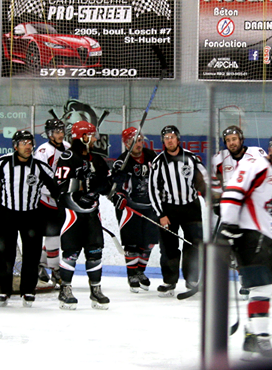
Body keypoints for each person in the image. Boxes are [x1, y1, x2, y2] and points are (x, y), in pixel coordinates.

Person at [218, 131, 272, 359]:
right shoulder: (253, 167)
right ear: (270, 147)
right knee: (261, 288)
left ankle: (250, 335)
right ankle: (262, 338)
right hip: (249, 237)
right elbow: (232, 195)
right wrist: (227, 225)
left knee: (265, 291)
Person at [0, 130, 58, 307]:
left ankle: (28, 291)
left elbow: (55, 188)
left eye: (30, 143)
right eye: (24, 143)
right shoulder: (4, 162)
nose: (28, 146)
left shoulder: (39, 166)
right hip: (7, 214)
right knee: (3, 253)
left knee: (32, 256)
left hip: (31, 215)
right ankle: (3, 290)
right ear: (15, 146)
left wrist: (62, 205)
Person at [54, 121, 113, 310]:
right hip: (72, 214)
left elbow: (107, 186)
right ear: (83, 137)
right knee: (70, 253)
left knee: (95, 252)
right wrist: (82, 185)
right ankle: (65, 290)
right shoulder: (68, 156)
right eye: (92, 135)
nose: (95, 138)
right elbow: (60, 186)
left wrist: (111, 184)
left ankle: (95, 290)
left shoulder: (97, 159)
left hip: (92, 214)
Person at [148, 124, 208, 298]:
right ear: (163, 141)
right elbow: (153, 189)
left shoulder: (191, 158)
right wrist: (161, 214)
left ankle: (192, 280)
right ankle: (169, 281)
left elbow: (203, 180)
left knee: (194, 245)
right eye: (166, 138)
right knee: (168, 247)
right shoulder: (158, 162)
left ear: (178, 139)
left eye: (172, 137)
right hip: (169, 209)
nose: (169, 140)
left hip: (191, 207)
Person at [210, 125, 268, 298]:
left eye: (234, 139)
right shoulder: (219, 158)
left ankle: (245, 280)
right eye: (228, 140)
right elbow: (214, 181)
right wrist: (216, 201)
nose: (231, 143)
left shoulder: (257, 153)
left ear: (241, 139)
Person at [110, 126, 159, 292]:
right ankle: (131, 275)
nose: (138, 144)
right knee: (132, 243)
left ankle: (140, 271)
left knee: (149, 242)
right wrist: (119, 194)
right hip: (130, 208)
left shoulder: (152, 156)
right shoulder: (121, 161)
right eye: (133, 141)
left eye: (139, 140)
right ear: (126, 143)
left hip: (150, 205)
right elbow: (115, 187)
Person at [34, 118, 70, 288]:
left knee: (54, 236)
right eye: (56, 132)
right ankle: (56, 270)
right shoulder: (43, 151)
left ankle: (39, 265)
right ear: (49, 134)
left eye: (62, 131)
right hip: (45, 200)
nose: (60, 134)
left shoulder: (69, 148)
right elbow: (38, 176)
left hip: (61, 199)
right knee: (52, 235)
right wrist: (53, 191)